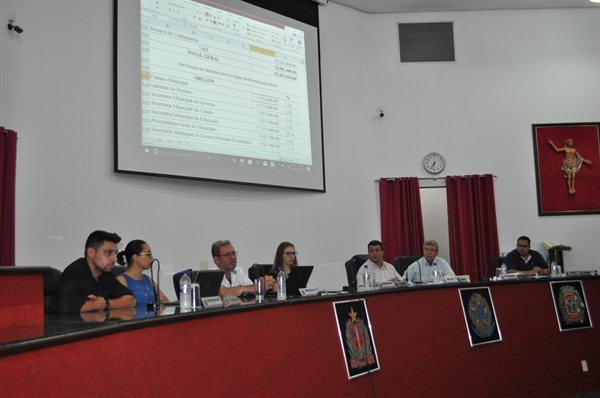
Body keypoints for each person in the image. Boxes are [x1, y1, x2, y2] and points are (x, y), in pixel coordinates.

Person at [48, 230, 136, 313]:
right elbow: (65, 306)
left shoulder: (106, 274)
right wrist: (96, 304)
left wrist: (105, 304)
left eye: (115, 253)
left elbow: (131, 299)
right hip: (64, 327)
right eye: (108, 253)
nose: (115, 258)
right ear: (91, 252)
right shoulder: (74, 273)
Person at [116, 239, 169, 307]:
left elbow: (165, 301)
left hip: (154, 318)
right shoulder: (121, 280)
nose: (152, 258)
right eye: (148, 254)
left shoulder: (148, 278)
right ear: (136, 257)